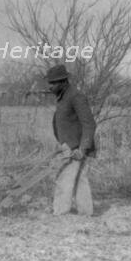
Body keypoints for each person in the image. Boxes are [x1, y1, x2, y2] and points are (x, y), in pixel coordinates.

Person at [46, 64, 96, 215]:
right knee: (80, 180)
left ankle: (60, 213)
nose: (51, 87)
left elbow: (89, 124)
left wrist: (82, 149)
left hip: (77, 148)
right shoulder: (63, 97)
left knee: (64, 178)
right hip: (69, 146)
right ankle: (86, 213)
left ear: (63, 81)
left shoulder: (76, 96)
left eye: (53, 83)